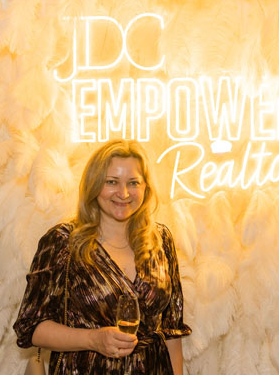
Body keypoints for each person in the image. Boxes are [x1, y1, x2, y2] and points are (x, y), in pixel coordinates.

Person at [13, 140, 191, 374]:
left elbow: (171, 331)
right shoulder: (63, 242)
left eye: (133, 182)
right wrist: (93, 340)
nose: (123, 193)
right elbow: (31, 328)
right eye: (111, 182)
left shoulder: (161, 240)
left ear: (145, 188)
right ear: (94, 184)